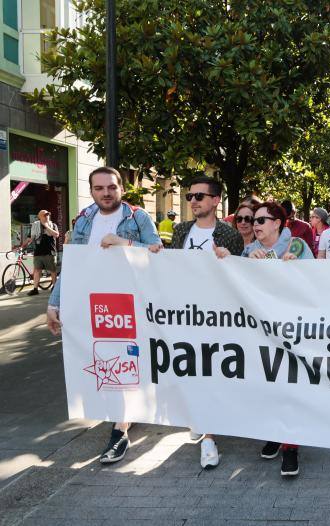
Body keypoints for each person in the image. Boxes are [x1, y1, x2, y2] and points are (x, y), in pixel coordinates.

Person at [45, 166, 161, 464]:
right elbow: (71, 265)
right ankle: (122, 419)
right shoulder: (84, 220)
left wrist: (124, 243)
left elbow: (157, 252)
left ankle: (120, 428)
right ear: (92, 190)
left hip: (130, 303)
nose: (106, 193)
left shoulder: (137, 217)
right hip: (93, 304)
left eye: (111, 187)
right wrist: (54, 303)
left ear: (121, 188)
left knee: (124, 360)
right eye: (99, 188)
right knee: (104, 360)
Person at [169, 176, 244, 469]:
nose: (193, 202)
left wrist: (227, 261)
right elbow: (170, 268)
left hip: (215, 316)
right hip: (182, 314)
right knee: (190, 369)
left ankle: (210, 438)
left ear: (215, 200)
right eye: (189, 197)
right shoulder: (180, 231)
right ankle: (200, 418)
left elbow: (238, 279)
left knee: (211, 371)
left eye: (199, 196)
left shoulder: (229, 235)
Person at [235, 201, 310, 476]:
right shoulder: (248, 249)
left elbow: (315, 285)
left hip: (291, 330)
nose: (255, 224)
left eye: (261, 220)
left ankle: (291, 447)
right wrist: (242, 264)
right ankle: (275, 434)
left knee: (290, 386)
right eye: (253, 220)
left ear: (278, 223)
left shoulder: (298, 248)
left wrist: (294, 269)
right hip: (260, 330)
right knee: (268, 384)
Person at [21, 209, 59, 295]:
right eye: (44, 215)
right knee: (37, 270)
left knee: (52, 270)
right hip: (38, 252)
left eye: (48, 215)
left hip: (50, 252)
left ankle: (55, 287)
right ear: (39, 217)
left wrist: (46, 226)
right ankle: (35, 289)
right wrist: (23, 245)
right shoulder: (35, 226)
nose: (47, 216)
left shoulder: (53, 225)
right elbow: (30, 238)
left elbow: (56, 234)